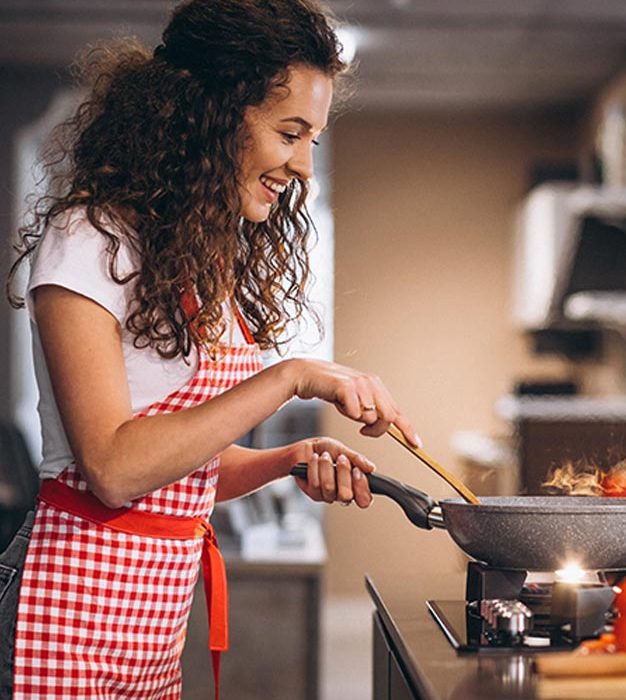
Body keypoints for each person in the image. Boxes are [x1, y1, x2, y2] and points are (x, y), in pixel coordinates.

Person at [2, 0, 420, 697]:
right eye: (290, 133)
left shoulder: (196, 261)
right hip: (66, 612)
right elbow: (112, 467)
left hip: (149, 634)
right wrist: (291, 376)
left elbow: (178, 468)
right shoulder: (90, 241)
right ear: (213, 112)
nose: (304, 165)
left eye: (312, 138)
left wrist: (287, 460)